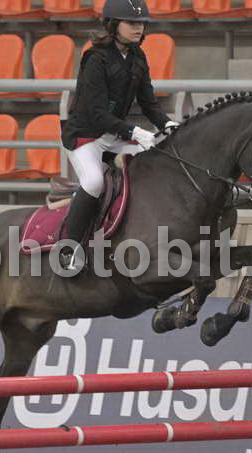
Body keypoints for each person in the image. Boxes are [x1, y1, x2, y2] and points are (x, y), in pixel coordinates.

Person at [58, 0, 179, 272]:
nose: (139, 28)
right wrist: (134, 131)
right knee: (93, 182)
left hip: (114, 135)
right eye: (132, 23)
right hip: (86, 136)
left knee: (154, 165)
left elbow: (149, 104)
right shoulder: (95, 58)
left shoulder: (138, 57)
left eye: (141, 23)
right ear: (113, 25)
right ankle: (69, 247)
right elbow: (97, 114)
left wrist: (168, 124)